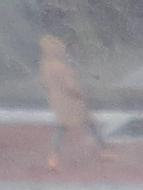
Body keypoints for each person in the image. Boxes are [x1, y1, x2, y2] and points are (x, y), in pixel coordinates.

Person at [40, 34, 104, 172]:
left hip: (57, 100)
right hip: (71, 101)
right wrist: (81, 94)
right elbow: (71, 86)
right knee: (89, 123)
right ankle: (103, 150)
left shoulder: (45, 65)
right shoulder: (61, 68)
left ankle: (53, 157)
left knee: (62, 127)